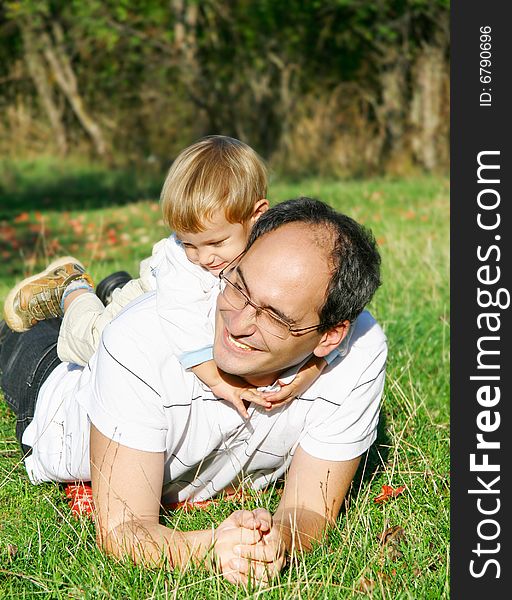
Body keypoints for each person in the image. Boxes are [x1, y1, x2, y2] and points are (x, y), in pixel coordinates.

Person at [0, 198, 387, 585]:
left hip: (131, 356)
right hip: (53, 393)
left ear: (332, 336)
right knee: (20, 332)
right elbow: (123, 528)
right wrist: (212, 546)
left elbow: (311, 509)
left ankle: (116, 291)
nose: (237, 323)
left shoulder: (359, 350)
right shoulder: (139, 340)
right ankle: (78, 291)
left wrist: (276, 540)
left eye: (273, 316)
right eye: (238, 286)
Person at [2, 135, 334, 419]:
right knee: (92, 342)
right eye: (189, 243)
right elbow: (183, 323)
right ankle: (71, 287)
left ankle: (113, 287)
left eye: (216, 242)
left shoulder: (275, 241)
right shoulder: (185, 267)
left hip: (162, 290)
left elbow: (325, 303)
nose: (204, 258)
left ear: (257, 214)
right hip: (154, 292)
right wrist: (220, 382)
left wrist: (310, 370)